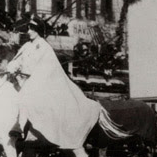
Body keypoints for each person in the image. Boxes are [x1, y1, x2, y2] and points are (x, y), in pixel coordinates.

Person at [7, 16, 100, 149]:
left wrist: (28, 76)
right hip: (21, 80)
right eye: (28, 29)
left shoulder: (45, 47)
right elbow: (18, 60)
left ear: (38, 30)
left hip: (39, 83)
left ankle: (20, 126)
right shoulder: (27, 46)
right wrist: (12, 66)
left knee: (25, 96)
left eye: (32, 29)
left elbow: (46, 69)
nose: (29, 32)